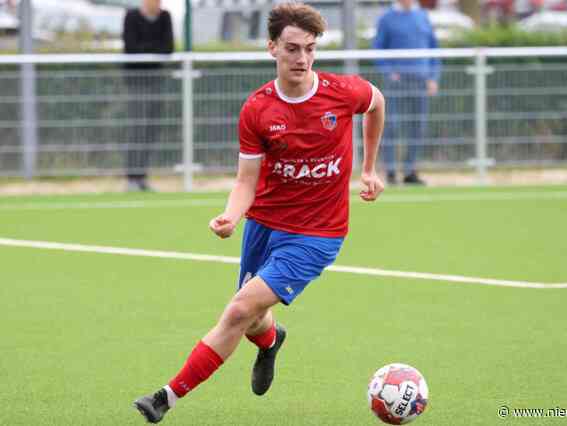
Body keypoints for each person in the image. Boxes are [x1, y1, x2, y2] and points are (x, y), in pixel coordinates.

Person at [133, 3, 386, 423]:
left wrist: (370, 167)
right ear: (272, 48)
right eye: (292, 48)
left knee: (236, 310)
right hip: (264, 225)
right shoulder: (257, 110)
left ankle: (165, 397)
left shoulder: (342, 93)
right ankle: (270, 342)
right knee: (253, 319)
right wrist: (231, 216)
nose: (302, 58)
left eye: (309, 48)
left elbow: (377, 102)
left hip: (318, 234)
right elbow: (246, 180)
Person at [373, 0, 441, 185]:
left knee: (418, 127)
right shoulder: (386, 18)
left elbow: (434, 48)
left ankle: (410, 171)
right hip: (397, 83)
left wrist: (433, 77)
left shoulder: (423, 16)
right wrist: (389, 72)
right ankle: (391, 172)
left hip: (421, 81)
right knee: (391, 126)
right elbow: (378, 48)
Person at [122, 0, 174, 191]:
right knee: (138, 127)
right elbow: (131, 47)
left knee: (152, 128)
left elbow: (167, 47)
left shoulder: (165, 17)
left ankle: (142, 176)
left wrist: (149, 50)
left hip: (156, 80)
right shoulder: (132, 16)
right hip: (136, 81)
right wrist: (153, 50)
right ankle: (132, 177)